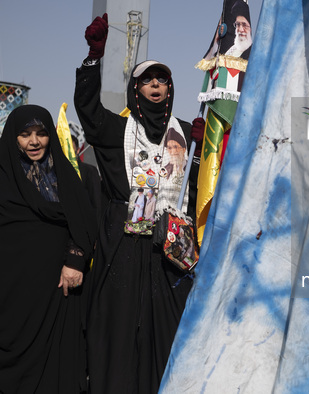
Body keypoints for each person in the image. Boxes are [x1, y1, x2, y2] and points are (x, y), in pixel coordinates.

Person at [74, 14, 198, 393]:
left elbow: (202, 184)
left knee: (165, 325)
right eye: (148, 80)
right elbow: (89, 113)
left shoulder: (186, 134)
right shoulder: (117, 130)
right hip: (123, 243)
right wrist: (93, 59)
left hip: (168, 247)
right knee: (118, 323)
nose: (156, 86)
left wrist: (202, 149)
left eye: (162, 80)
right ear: (136, 88)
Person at [0, 105, 97, 393]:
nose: (34, 142)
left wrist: (75, 261)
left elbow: (84, 222)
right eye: (25, 134)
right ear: (12, 138)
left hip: (57, 286)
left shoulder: (65, 176)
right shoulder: (3, 174)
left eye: (41, 134)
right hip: (10, 290)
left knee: (55, 366)